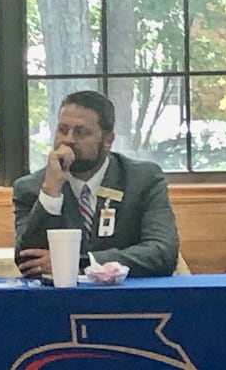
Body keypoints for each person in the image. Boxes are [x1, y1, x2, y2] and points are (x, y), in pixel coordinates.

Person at [13, 90, 179, 277]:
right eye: (62, 129)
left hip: (126, 300)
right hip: (58, 301)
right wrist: (51, 192)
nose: (68, 140)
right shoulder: (32, 187)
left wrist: (82, 262)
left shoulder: (141, 179)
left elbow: (162, 252)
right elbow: (28, 261)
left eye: (81, 132)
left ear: (108, 140)